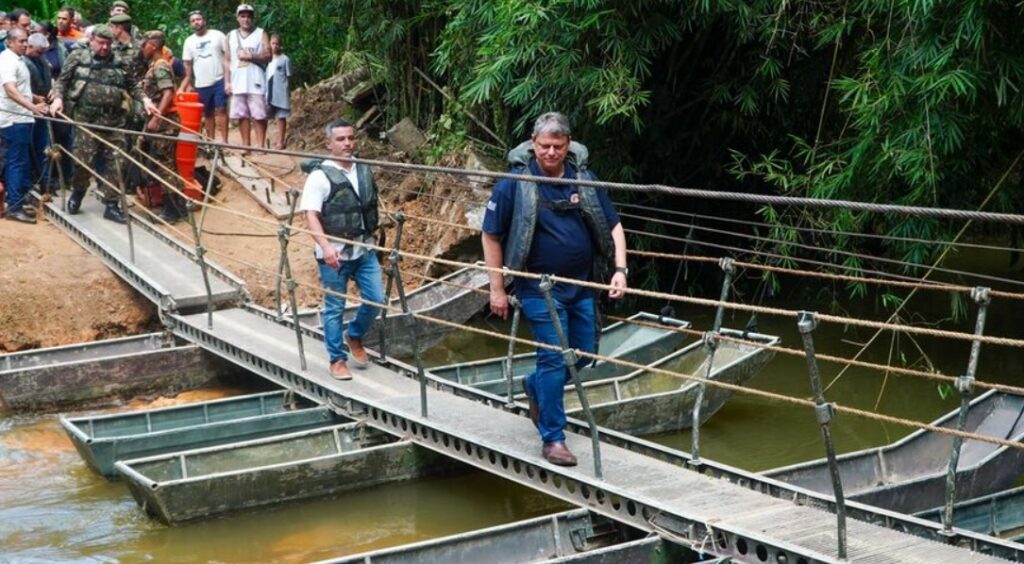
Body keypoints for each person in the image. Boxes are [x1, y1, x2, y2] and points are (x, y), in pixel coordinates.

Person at [481, 112, 628, 467]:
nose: (550, 153)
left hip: (583, 286)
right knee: (552, 356)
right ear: (533, 144)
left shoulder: (584, 179)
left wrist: (620, 269)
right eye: (544, 146)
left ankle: (535, 386)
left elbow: (614, 225)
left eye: (557, 146)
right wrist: (497, 288)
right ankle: (553, 438)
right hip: (539, 288)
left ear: (568, 145)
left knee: (584, 355)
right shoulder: (513, 184)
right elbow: (490, 234)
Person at [299, 118, 384, 380]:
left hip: (364, 249)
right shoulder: (319, 177)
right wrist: (325, 247)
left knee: (376, 299)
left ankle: (354, 335)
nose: (347, 143)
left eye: (350, 138)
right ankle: (337, 359)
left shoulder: (362, 169)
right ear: (329, 144)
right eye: (340, 139)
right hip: (333, 253)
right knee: (335, 306)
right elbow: (310, 214)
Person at [50, 24, 158, 224]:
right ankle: (78, 194)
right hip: (86, 121)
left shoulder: (120, 61)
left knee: (116, 164)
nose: (105, 47)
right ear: (91, 41)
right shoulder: (78, 58)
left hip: (114, 122)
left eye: (108, 43)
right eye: (101, 43)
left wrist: (145, 100)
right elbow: (62, 82)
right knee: (83, 162)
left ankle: (111, 204)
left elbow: (133, 85)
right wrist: (58, 99)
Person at [1, 27, 47, 223]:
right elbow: (10, 89)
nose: (25, 44)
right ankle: (14, 206)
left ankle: (16, 201)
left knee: (19, 161)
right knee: (16, 163)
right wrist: (32, 107)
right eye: (21, 41)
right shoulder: (7, 60)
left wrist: (35, 99)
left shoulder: (17, 60)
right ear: (10, 42)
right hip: (14, 120)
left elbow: (19, 88)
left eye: (26, 40)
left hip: (21, 118)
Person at [140, 30, 185, 223]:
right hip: (164, 120)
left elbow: (168, 93)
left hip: (165, 122)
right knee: (168, 164)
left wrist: (156, 118)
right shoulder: (155, 65)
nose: (142, 49)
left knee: (164, 164)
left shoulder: (160, 66)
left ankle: (171, 210)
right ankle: (179, 206)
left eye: (144, 45)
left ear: (153, 46)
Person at [224, 4, 270, 152]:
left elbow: (268, 55)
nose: (246, 19)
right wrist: (227, 81)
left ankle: (261, 146)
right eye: (243, 16)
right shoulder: (230, 36)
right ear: (237, 18)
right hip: (237, 80)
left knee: (259, 114)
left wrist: (251, 56)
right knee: (241, 114)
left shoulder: (261, 33)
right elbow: (227, 60)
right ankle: (246, 146)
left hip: (255, 79)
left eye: (249, 16)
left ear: (253, 18)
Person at [179, 10, 227, 143]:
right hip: (201, 82)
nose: (196, 22)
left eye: (198, 19)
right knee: (208, 113)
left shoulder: (217, 35)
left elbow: (228, 56)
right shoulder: (189, 41)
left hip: (219, 78)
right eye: (193, 21)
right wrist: (188, 84)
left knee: (221, 109)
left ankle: (224, 141)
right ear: (190, 24)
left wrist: (229, 78)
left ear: (204, 20)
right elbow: (187, 64)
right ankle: (211, 142)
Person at [23, 32, 53, 197]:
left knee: (44, 147)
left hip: (43, 109)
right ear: (30, 46)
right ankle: (31, 182)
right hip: (27, 109)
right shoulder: (21, 62)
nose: (41, 55)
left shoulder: (41, 60)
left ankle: (45, 183)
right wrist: (34, 98)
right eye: (39, 52)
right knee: (28, 147)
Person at [265, 34, 290, 150]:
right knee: (267, 116)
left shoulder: (285, 59)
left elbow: (288, 77)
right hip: (268, 92)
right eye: (273, 43)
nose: (275, 46)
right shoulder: (267, 59)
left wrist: (286, 92)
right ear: (269, 44)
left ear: (281, 45)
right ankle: (269, 140)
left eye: (277, 44)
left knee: (281, 117)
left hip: (280, 92)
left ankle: (281, 141)